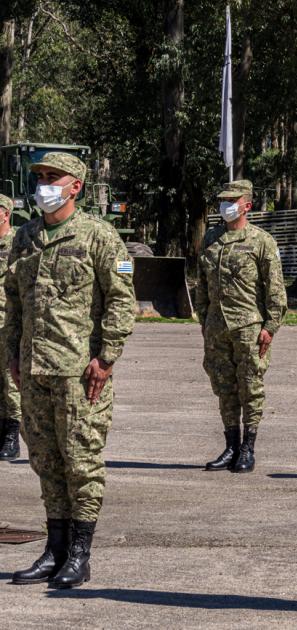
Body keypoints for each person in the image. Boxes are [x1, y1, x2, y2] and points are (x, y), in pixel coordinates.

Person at [6, 152, 136, 587]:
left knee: (81, 463)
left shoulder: (99, 237)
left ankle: (80, 554)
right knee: (46, 461)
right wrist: (11, 355)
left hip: (81, 373)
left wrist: (107, 357)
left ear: (75, 185)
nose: (43, 183)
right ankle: (55, 548)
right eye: (39, 176)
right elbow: (13, 303)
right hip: (34, 369)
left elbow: (121, 300)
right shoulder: (24, 237)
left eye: (52, 177)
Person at [195, 179, 286, 473]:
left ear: (246, 205)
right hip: (216, 329)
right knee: (224, 388)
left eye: (232, 201)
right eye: (223, 200)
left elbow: (275, 291)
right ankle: (231, 445)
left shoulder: (261, 241)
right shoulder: (211, 239)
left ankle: (248, 447)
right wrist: (204, 321)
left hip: (248, 327)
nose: (225, 206)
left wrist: (270, 327)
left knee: (251, 388)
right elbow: (201, 285)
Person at [0, 194, 22, 461]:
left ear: (5, 213)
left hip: (9, 321)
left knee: (9, 380)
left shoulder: (19, 242)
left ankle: (12, 435)